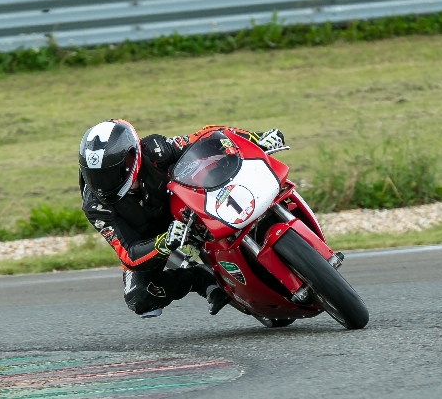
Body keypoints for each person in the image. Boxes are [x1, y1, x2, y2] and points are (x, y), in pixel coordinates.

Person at [77, 120, 288, 319]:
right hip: (151, 237)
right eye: (96, 176)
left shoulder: (155, 149)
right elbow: (129, 254)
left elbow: (208, 136)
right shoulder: (96, 207)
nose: (103, 184)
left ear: (133, 156)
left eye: (112, 172)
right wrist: (163, 243)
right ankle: (199, 278)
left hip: (185, 207)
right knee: (139, 298)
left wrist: (256, 138)